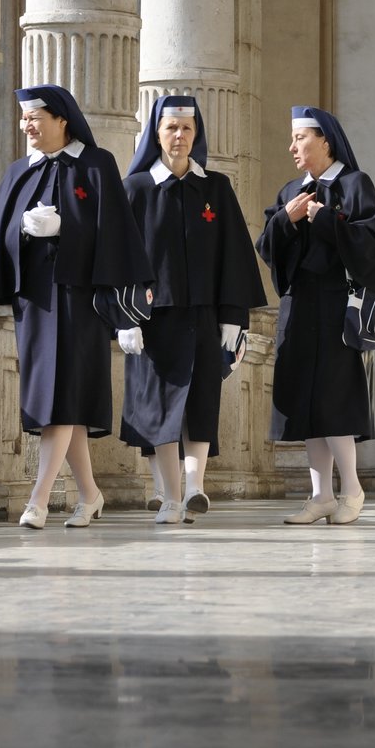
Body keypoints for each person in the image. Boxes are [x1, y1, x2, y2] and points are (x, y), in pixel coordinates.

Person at [0, 85, 152, 530]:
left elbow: (116, 235)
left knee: (60, 396)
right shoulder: (20, 169)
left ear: (63, 119)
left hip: (80, 301)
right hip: (35, 302)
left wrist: (67, 230)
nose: (27, 126)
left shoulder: (97, 165)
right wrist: (22, 229)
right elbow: (0, 234)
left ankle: (38, 499)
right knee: (62, 398)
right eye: (22, 118)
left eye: (35, 117)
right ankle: (91, 495)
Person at [119, 95, 267, 524]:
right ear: (157, 133)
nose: (179, 136)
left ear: (196, 134)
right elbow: (119, 260)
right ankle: (169, 496)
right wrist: (125, 319)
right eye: (171, 128)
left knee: (201, 400)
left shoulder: (216, 187)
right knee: (159, 408)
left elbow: (235, 255)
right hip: (152, 320)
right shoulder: (136, 189)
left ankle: (195, 487)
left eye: (187, 128)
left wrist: (233, 318)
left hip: (203, 315)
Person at [257, 106, 375, 525]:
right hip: (299, 309)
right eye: (293, 139)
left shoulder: (355, 185)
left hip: (339, 308)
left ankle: (352, 489)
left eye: (300, 138)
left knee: (334, 400)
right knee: (306, 404)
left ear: (325, 141)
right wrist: (287, 219)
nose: (292, 147)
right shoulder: (290, 192)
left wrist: (324, 219)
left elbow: (372, 246)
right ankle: (320, 496)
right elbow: (267, 248)